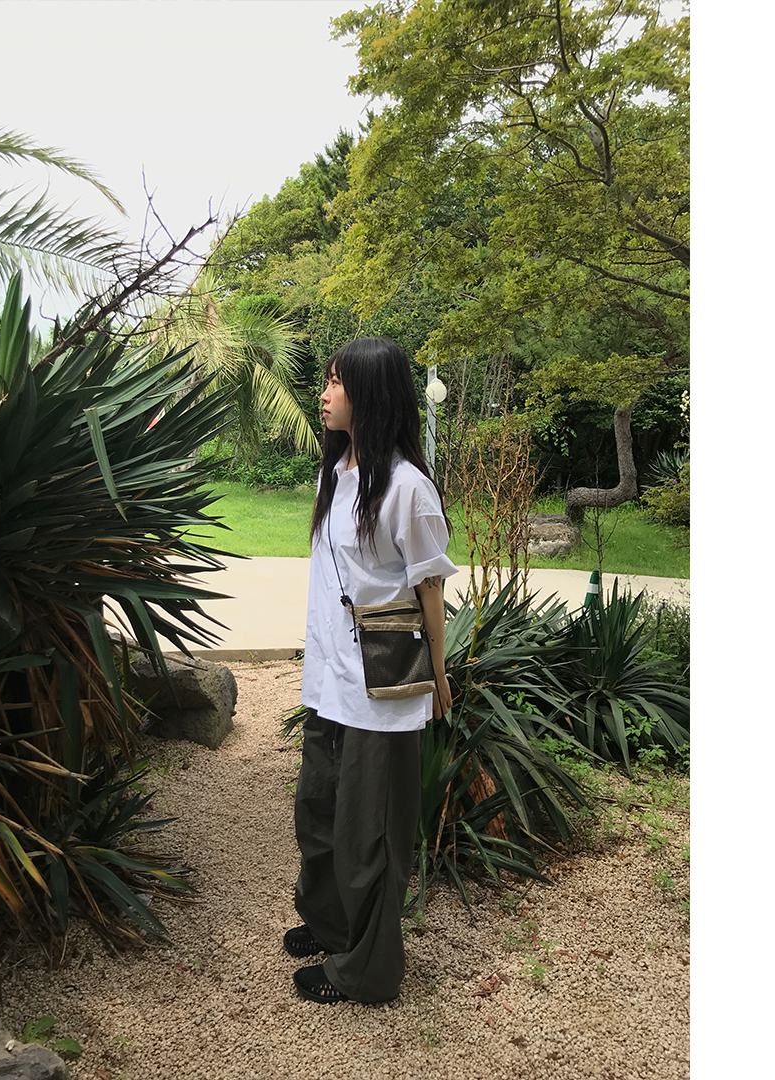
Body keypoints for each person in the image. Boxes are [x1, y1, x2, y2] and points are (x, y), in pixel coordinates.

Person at [287, 336, 457, 1005]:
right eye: (327, 380)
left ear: (371, 395)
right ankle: (333, 925)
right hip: (330, 676)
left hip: (383, 682)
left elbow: (430, 590)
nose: (324, 393)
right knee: (318, 810)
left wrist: (438, 676)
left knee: (369, 831)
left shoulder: (409, 489)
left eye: (336, 382)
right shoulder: (336, 472)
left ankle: (368, 969)